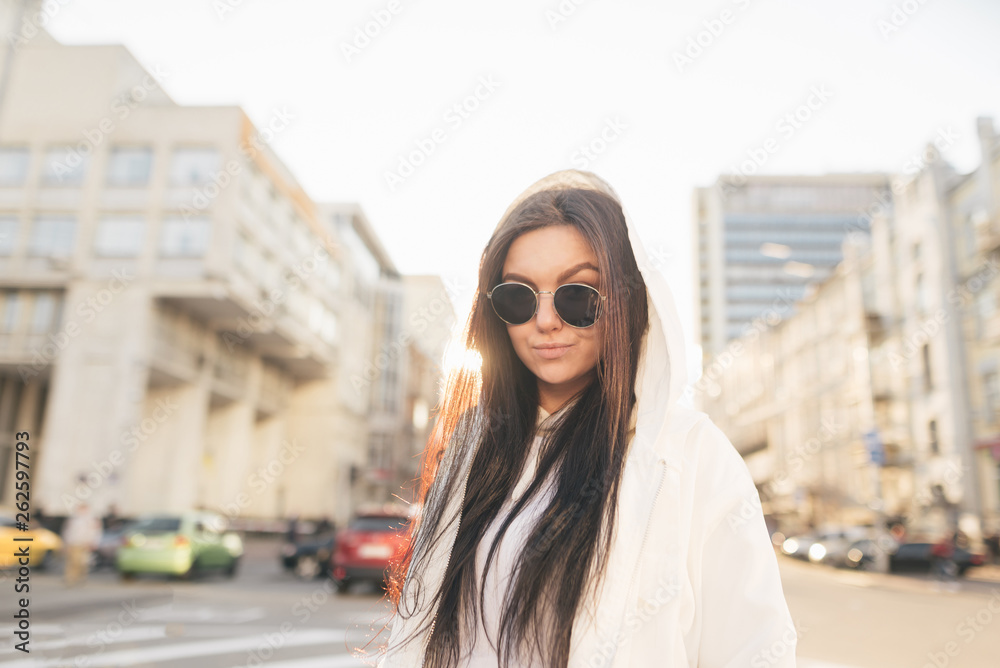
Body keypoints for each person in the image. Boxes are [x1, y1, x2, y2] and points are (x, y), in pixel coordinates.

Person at [370, 170, 797, 667]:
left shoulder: (689, 453)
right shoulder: (472, 447)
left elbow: (754, 650)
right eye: (518, 297)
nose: (545, 321)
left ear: (627, 300)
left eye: (578, 295)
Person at [62, 502, 102, 587]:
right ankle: (71, 579)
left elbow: (96, 532)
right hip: (74, 543)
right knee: (73, 562)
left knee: (83, 562)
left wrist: (94, 542)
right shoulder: (73, 519)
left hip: (85, 543)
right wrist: (66, 543)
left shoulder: (92, 519)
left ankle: (81, 577)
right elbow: (67, 531)